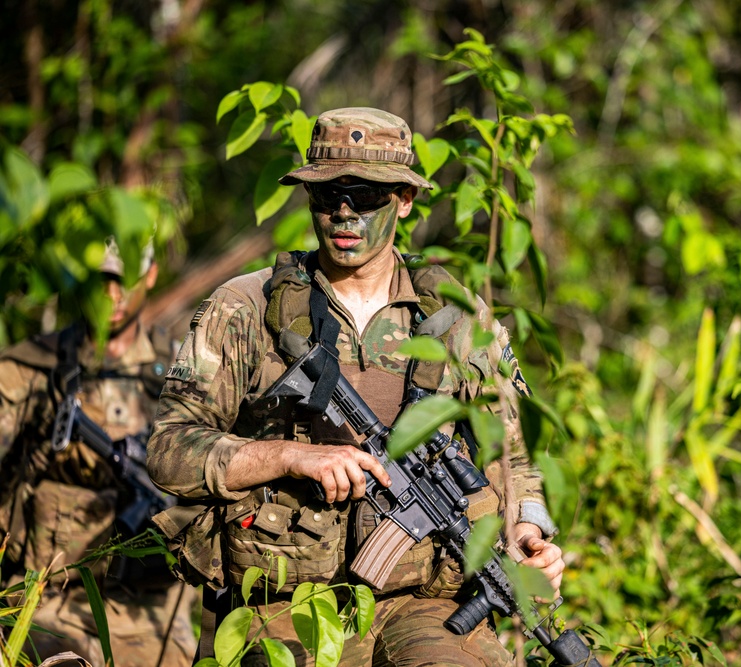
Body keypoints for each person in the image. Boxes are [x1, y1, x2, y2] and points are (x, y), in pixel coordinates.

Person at [147, 107, 564, 666]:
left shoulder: (458, 319)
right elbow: (168, 450)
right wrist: (289, 457)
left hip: (424, 599)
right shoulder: (244, 308)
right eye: (327, 196)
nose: (344, 213)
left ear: (404, 200)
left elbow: (514, 456)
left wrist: (529, 529)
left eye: (365, 197)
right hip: (284, 599)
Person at [0, 238, 197, 667]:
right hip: (46, 596)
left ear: (150, 275)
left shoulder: (186, 370)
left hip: (150, 611)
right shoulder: (34, 367)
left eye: (122, 279)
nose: (111, 296)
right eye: (100, 279)